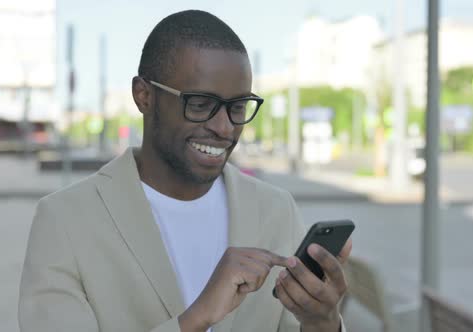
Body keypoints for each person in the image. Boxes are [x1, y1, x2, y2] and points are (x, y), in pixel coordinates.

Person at [19, 10, 352, 332]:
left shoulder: (277, 210)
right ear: (144, 96)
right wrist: (196, 318)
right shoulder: (64, 220)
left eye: (237, 108)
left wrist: (322, 323)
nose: (224, 127)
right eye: (200, 104)